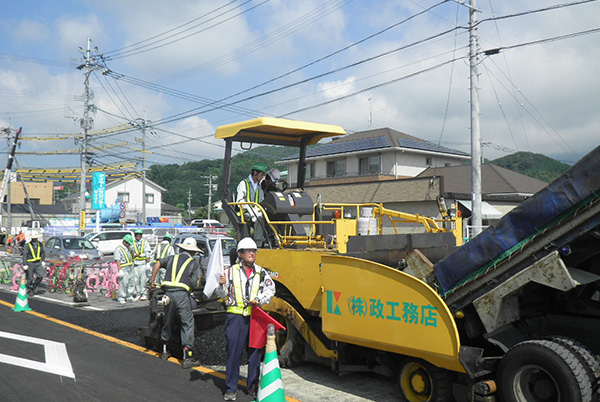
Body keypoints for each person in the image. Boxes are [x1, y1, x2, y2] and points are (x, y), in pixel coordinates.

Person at [215, 237, 276, 401]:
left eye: (254, 251)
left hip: (255, 317)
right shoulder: (229, 271)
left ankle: (253, 387)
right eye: (248, 251)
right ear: (240, 254)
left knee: (255, 354)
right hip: (235, 318)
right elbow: (221, 295)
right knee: (233, 354)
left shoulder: (261, 272)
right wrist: (220, 285)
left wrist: (260, 300)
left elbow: (271, 290)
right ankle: (230, 389)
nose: (252, 253)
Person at [150, 237, 203, 369]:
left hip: (167, 295)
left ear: (181, 248)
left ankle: (164, 352)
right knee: (187, 323)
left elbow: (157, 263)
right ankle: (187, 357)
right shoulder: (193, 262)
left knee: (167, 321)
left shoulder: (171, 258)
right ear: (193, 252)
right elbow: (194, 282)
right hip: (181, 295)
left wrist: (152, 280)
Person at [236, 162, 267, 246]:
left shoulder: (259, 187)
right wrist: (251, 211)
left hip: (256, 211)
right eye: (261, 175)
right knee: (259, 218)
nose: (262, 177)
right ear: (255, 173)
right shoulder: (243, 184)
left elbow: (261, 202)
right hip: (244, 212)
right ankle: (258, 244)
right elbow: (240, 201)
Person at [22, 232, 45, 297]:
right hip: (30, 263)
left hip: (38, 262)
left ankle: (35, 285)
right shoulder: (28, 245)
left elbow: (43, 252)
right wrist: (25, 264)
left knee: (41, 275)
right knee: (30, 278)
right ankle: (31, 289)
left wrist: (43, 260)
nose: (35, 238)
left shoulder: (40, 244)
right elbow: (25, 255)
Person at [115, 234, 135, 304]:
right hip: (124, 267)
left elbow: (132, 257)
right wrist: (120, 270)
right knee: (124, 283)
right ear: (125, 242)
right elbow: (118, 260)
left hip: (130, 267)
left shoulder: (128, 248)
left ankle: (129, 296)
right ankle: (121, 297)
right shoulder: (119, 249)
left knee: (131, 282)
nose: (129, 245)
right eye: (128, 243)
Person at [132, 228, 151, 301]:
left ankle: (144, 294)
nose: (138, 237)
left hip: (143, 264)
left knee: (143, 280)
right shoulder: (133, 243)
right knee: (136, 280)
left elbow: (147, 253)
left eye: (139, 235)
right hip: (136, 264)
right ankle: (138, 294)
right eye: (137, 235)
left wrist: (148, 263)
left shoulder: (144, 243)